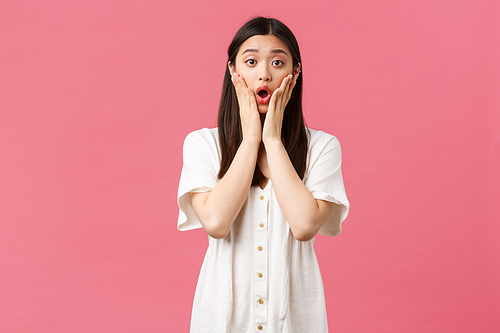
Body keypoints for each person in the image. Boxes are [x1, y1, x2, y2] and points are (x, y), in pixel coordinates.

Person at [177, 16, 349, 333]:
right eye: (252, 61)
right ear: (233, 71)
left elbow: (304, 225)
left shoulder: (323, 148)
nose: (264, 75)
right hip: (222, 317)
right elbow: (215, 223)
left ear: (295, 73)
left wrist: (271, 140)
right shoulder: (202, 144)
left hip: (295, 319)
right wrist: (251, 139)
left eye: (278, 62)